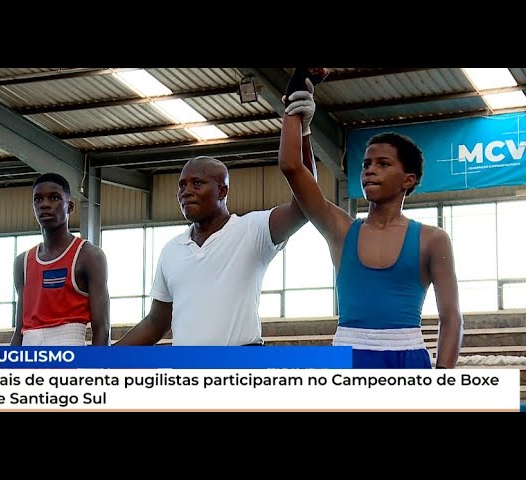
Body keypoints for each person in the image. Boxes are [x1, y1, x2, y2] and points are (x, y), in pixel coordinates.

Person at [278, 77, 463, 368]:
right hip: (347, 357)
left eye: (383, 164)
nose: (370, 171)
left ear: (408, 180)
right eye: (366, 164)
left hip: (408, 357)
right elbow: (292, 167)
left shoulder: (432, 239)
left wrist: (441, 381)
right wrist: (297, 117)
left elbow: (451, 317)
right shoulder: (340, 230)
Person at [114, 114, 318, 346]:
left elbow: (304, 205)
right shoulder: (172, 250)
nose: (186, 191)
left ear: (222, 191)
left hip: (239, 370)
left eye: (197, 183)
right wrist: (104, 359)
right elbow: (155, 323)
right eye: (182, 185)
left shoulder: (252, 230)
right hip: (186, 375)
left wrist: (302, 131)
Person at [10, 173, 110, 346]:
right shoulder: (22, 262)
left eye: (54, 198)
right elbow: (19, 331)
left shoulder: (89, 256)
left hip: (71, 353)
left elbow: (102, 328)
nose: (45, 204)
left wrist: (96, 370)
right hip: (29, 357)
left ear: (69, 207)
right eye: (38, 199)